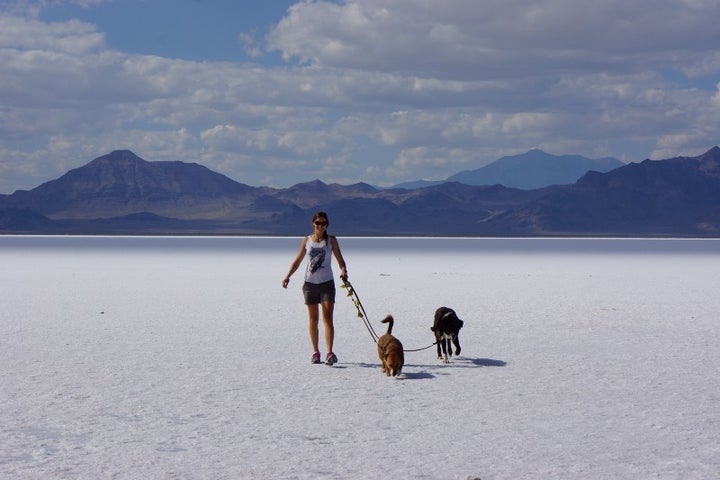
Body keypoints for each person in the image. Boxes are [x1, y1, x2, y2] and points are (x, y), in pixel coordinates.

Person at [282, 211, 348, 365]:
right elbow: (297, 261)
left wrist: (343, 270)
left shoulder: (331, 241)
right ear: (313, 224)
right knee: (313, 319)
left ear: (327, 225)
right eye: (318, 223)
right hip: (310, 284)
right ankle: (315, 352)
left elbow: (340, 260)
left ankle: (329, 352)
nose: (320, 226)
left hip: (327, 283)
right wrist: (288, 276)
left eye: (323, 223)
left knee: (328, 318)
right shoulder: (307, 241)